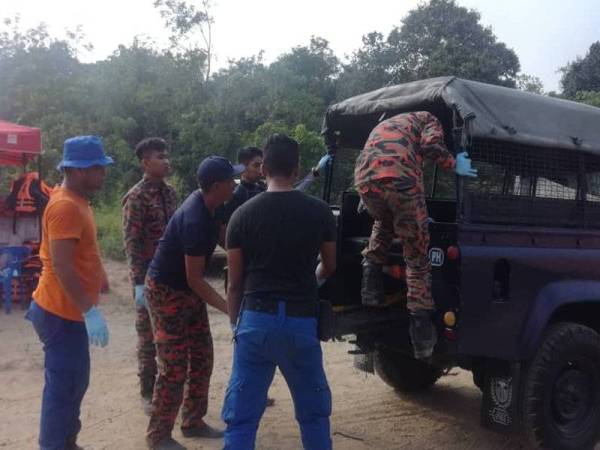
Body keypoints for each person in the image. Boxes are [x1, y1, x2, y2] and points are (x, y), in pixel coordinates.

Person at [222, 134, 337, 450]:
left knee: (241, 419)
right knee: (314, 415)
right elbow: (329, 266)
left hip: (256, 322)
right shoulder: (320, 212)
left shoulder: (241, 216)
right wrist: (310, 281)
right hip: (301, 323)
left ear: (264, 169)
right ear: (297, 169)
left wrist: (236, 326)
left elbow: (234, 282)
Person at [354, 111, 477, 360]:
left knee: (384, 221)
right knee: (417, 257)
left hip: (365, 181)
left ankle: (370, 288)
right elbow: (431, 146)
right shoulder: (430, 119)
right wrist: (454, 164)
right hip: (400, 180)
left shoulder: (388, 124)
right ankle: (421, 334)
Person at [145, 156, 244, 450]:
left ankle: (192, 421)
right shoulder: (195, 218)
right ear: (216, 186)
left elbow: (224, 240)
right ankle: (158, 436)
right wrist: (230, 308)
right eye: (231, 181)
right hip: (166, 291)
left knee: (202, 355)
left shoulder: (209, 205)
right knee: (174, 366)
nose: (235, 185)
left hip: (185, 291)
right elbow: (195, 279)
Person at [25, 135, 113, 450]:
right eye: (96, 168)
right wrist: (89, 310)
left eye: (102, 167)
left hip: (69, 310)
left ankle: (66, 441)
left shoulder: (77, 200)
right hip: (59, 311)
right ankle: (53, 445)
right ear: (75, 170)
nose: (102, 173)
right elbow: (61, 266)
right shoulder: (65, 206)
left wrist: (99, 274)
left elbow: (80, 251)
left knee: (75, 382)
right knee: (63, 387)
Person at [122, 137, 177, 412]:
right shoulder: (136, 197)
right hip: (147, 277)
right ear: (145, 162)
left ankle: (168, 391)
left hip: (170, 276)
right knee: (147, 337)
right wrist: (138, 284)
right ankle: (147, 392)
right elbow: (131, 244)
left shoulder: (170, 194)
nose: (166, 160)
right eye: (160, 156)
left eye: (166, 155)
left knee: (171, 337)